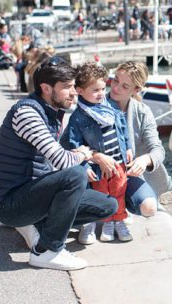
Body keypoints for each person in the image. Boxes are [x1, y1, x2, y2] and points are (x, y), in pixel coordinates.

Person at [0, 56, 117, 271]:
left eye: (74, 86)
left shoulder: (53, 111)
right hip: (9, 203)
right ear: (45, 88)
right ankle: (47, 251)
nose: (74, 92)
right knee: (75, 175)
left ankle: (39, 226)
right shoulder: (27, 113)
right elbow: (61, 160)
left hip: (33, 195)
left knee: (107, 206)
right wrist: (85, 154)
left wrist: (79, 154)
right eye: (67, 87)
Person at [63, 62, 133, 244]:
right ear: (79, 90)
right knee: (100, 194)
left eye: (103, 88)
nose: (101, 93)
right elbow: (74, 145)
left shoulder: (112, 106)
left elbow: (123, 129)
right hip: (97, 167)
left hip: (118, 161)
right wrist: (85, 164)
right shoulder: (78, 117)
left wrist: (129, 147)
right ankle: (96, 223)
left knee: (119, 191)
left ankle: (118, 221)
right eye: (95, 90)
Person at [106, 61, 171, 218]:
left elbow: (158, 149)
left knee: (149, 208)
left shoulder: (142, 112)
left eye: (124, 86)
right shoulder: (95, 103)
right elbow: (68, 143)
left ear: (136, 90)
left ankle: (125, 204)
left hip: (127, 176)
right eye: (115, 80)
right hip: (99, 174)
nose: (115, 88)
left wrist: (145, 160)